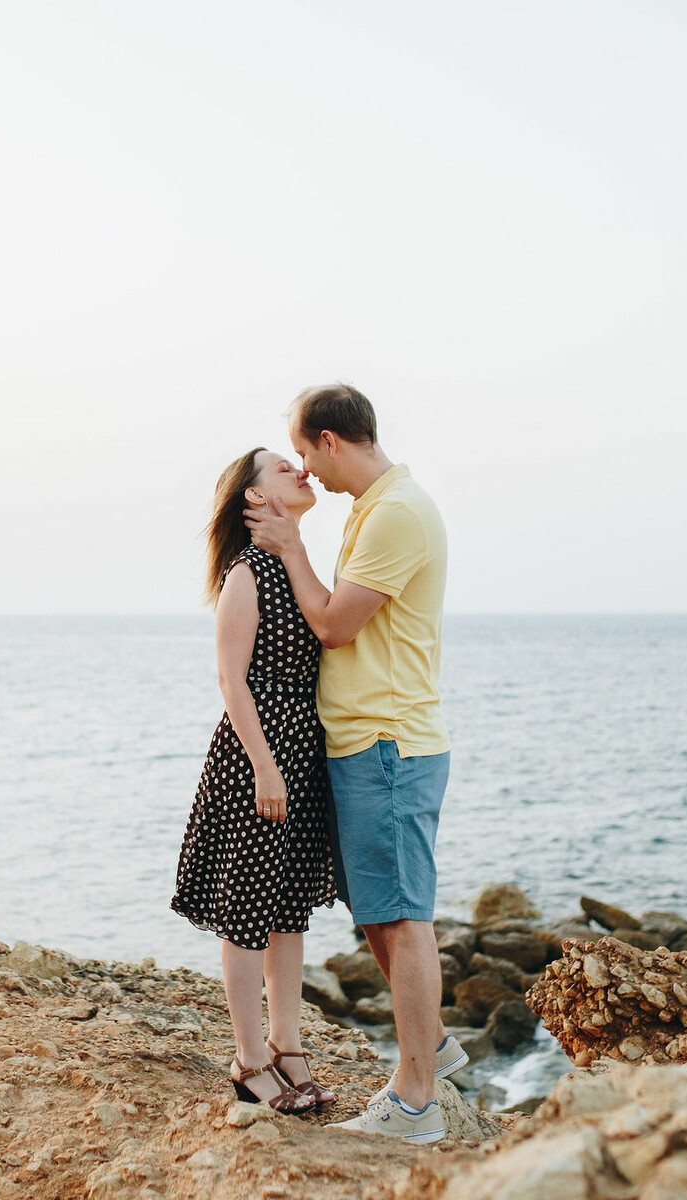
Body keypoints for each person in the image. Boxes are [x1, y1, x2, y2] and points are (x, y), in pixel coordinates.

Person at [245, 383, 460, 1144]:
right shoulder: (374, 510)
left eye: (304, 451)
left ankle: (416, 1104)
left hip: (389, 742)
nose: (305, 468)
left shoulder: (396, 514)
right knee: (379, 912)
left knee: (402, 920)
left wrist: (292, 550)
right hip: (365, 741)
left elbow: (335, 625)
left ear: (331, 440)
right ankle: (429, 1046)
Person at [171, 446, 340, 1115]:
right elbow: (230, 680)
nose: (300, 469)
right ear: (255, 500)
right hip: (259, 754)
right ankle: (248, 1060)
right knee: (245, 912)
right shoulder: (247, 574)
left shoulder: (290, 564)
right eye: (281, 468)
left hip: (304, 749)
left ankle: (287, 1046)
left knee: (288, 909)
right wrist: (266, 767)